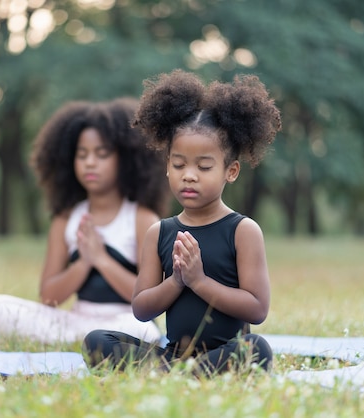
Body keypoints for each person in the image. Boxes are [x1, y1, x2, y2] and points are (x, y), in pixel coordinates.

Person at [82, 69, 281, 376]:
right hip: (172, 356)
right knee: (96, 341)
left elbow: (257, 308)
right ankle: (178, 374)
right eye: (178, 164)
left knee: (257, 349)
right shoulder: (159, 232)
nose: (189, 174)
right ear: (168, 166)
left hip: (224, 353)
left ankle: (177, 375)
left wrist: (199, 281)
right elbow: (141, 308)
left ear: (231, 171)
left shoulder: (243, 231)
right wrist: (177, 280)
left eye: (203, 166)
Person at [0, 98, 171, 345]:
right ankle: (87, 340)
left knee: (144, 332)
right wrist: (83, 263)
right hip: (75, 320)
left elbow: (150, 301)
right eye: (82, 154)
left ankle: (86, 341)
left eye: (102, 154)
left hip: (125, 321)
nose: (89, 162)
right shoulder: (66, 219)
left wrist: (101, 259)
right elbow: (48, 297)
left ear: (126, 159)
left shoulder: (142, 219)